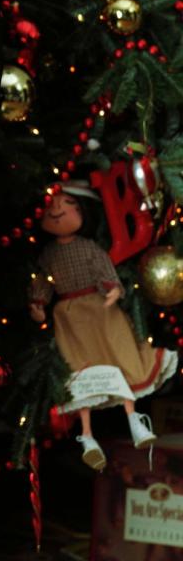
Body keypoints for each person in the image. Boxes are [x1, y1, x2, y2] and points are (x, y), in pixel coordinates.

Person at [29, 186, 177, 472]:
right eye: (50, 206)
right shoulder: (47, 255)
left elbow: (104, 271)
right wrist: (38, 302)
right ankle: (87, 435)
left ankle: (134, 419)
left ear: (83, 211)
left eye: (67, 204)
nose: (57, 210)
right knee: (82, 369)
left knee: (117, 356)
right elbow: (43, 282)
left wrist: (111, 289)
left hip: (100, 309)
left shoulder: (88, 248)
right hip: (69, 317)